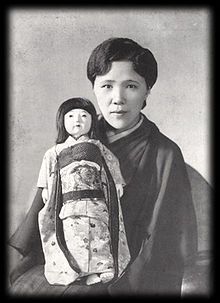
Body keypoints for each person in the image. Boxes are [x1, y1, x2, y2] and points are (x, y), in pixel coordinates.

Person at [8, 37, 198, 296]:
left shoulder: (164, 153)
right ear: (94, 88)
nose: (117, 99)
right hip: (62, 255)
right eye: (107, 86)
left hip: (124, 269)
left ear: (147, 90)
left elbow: (164, 237)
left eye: (131, 86)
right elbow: (48, 207)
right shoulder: (75, 141)